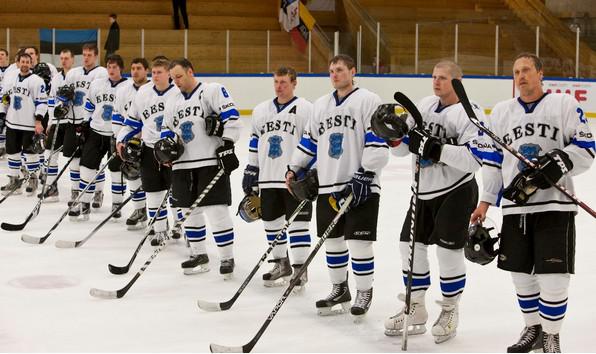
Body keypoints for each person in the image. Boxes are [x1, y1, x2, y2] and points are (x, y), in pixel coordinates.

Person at [470, 53, 595, 353]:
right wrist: (486, 201)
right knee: (521, 275)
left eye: (527, 70)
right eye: (516, 72)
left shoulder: (563, 105)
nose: (521, 75)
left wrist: (559, 162)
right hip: (516, 207)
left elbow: (587, 149)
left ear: (540, 73)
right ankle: (534, 329)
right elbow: (493, 162)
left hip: (554, 206)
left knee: (554, 278)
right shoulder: (501, 112)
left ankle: (552, 336)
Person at [378, 61, 487, 344]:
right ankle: (415, 308)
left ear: (458, 82)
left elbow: (474, 159)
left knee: (448, 253)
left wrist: (436, 148)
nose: (436, 82)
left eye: (443, 78)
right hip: (423, 191)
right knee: (409, 246)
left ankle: (450, 310)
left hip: (456, 190)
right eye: (434, 77)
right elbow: (405, 150)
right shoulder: (425, 105)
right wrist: (394, 138)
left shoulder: (469, 112)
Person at [286, 54, 388, 318]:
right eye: (331, 71)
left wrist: (366, 173)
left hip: (361, 185)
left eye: (340, 70)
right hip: (329, 185)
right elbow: (309, 141)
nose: (334, 75)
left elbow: (377, 141)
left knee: (359, 243)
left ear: (353, 71)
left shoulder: (368, 100)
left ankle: (364, 291)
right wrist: (294, 167)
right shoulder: (321, 105)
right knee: (332, 241)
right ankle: (339, 288)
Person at [159, 58, 241, 278]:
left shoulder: (212, 91)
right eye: (173, 78)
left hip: (209, 161)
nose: (176, 81)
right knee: (188, 212)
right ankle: (198, 254)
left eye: (179, 76)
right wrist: (165, 150)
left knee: (216, 210)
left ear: (190, 72)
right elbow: (166, 129)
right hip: (182, 163)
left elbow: (231, 117)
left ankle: (226, 257)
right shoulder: (172, 100)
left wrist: (228, 144)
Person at [242, 66, 313, 289]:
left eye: (283, 82)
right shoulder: (261, 110)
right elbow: (254, 140)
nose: (279, 86)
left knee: (298, 225)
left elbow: (313, 143)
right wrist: (251, 169)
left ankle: (300, 269)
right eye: (276, 82)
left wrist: (307, 170)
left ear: (294, 83)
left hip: (294, 178)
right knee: (271, 223)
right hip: (267, 177)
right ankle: (281, 264)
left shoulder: (306, 109)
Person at [116, 57, 179, 243]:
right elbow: (133, 120)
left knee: (177, 193)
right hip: (150, 150)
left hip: (174, 151)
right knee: (153, 193)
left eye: (160, 72)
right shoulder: (143, 93)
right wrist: (121, 138)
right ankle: (159, 229)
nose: (156, 76)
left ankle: (180, 225)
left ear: (169, 74)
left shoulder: (177, 93)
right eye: (153, 72)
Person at [69, 54, 127, 221]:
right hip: (95, 132)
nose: (111, 70)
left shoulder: (128, 87)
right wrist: (85, 124)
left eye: (115, 67)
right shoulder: (97, 84)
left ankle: (117, 204)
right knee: (87, 168)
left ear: (121, 69)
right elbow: (89, 107)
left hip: (116, 136)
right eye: (109, 66)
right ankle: (84, 203)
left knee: (116, 171)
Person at [59, 43, 108, 207]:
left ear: (96, 56)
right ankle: (75, 190)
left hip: (91, 125)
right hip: (73, 123)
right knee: (73, 160)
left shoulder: (101, 73)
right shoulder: (73, 73)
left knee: (91, 162)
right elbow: (64, 95)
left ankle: (98, 191)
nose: (86, 58)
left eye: (89, 55)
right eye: (84, 54)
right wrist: (63, 103)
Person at [0, 53, 47, 195]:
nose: (25, 64)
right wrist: (2, 113)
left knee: (30, 153)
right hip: (13, 123)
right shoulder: (11, 78)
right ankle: (14, 180)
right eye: (23, 61)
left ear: (31, 64)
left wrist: (38, 121)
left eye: (28, 62)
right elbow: (6, 97)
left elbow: (42, 102)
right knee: (12, 152)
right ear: (18, 62)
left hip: (29, 124)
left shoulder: (37, 81)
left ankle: (33, 178)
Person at [112, 57, 149, 229]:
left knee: (157, 181)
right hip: (129, 142)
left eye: (139, 68)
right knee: (132, 175)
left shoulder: (152, 90)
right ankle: (140, 210)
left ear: (146, 70)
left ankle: (167, 218)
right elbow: (118, 116)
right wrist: (118, 139)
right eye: (133, 68)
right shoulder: (123, 91)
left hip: (150, 141)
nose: (135, 71)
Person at [40, 48, 75, 202]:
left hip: (72, 123)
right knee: (49, 155)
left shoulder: (77, 76)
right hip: (57, 122)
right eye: (61, 58)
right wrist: (50, 122)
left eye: (66, 58)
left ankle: (77, 190)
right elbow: (51, 102)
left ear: (73, 59)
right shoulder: (56, 79)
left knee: (74, 159)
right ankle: (51, 188)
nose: (64, 61)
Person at [0, 48, 9, 158]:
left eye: (2, 54)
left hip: (7, 102)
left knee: (7, 125)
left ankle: (5, 146)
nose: (0, 56)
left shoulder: (12, 70)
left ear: (6, 56)